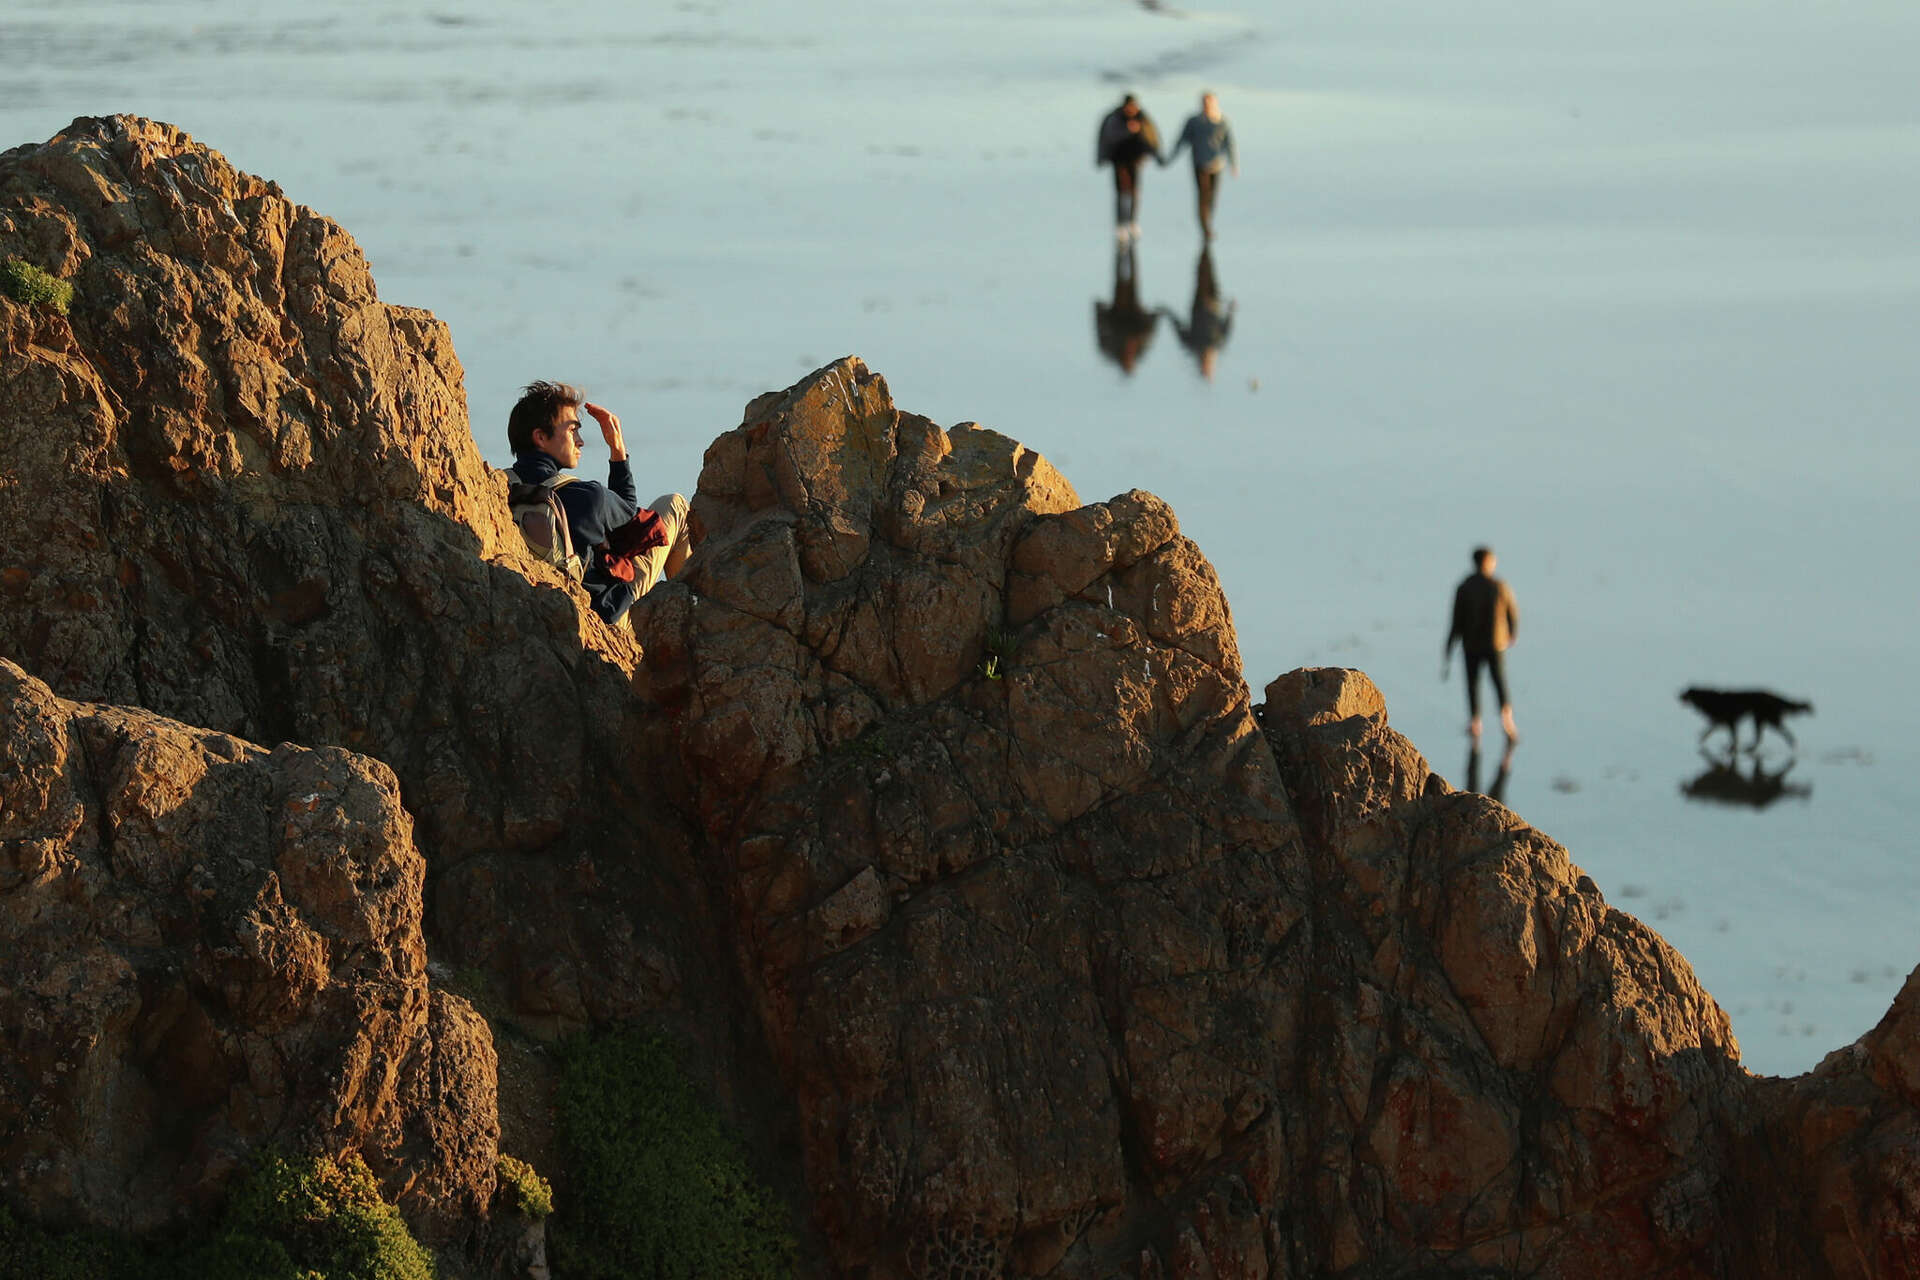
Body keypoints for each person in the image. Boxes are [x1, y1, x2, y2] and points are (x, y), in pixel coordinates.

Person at [507, 380, 690, 626]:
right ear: (540, 437)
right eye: (573, 431)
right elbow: (629, 512)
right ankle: (692, 618)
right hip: (605, 615)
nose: (580, 441)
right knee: (674, 505)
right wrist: (617, 449)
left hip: (536, 608)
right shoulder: (586, 496)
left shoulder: (500, 487)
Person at [1443, 546, 1520, 740]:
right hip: (1495, 644)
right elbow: (1513, 612)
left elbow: (1456, 620)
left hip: (1471, 644)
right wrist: (1512, 633)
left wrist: (1449, 646)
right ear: (1488, 562)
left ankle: (1475, 721)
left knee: (1473, 683)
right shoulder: (1499, 585)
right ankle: (1506, 720)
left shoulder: (1464, 586)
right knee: (1499, 681)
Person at [1166, 91, 1238, 239]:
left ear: (1215, 103)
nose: (1207, 106)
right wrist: (1170, 158)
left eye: (1210, 102)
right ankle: (1205, 228)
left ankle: (1208, 222)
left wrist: (1233, 164)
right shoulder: (1194, 121)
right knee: (1202, 196)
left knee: (1212, 197)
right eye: (1204, 103)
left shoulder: (1222, 121)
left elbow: (1229, 143)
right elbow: (1182, 140)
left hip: (1217, 165)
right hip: (1199, 164)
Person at [1096, 94, 1163, 243]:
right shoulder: (1115, 118)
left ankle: (1133, 222)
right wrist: (1128, 130)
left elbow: (1151, 137)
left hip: (1136, 160)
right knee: (1121, 192)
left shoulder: (1142, 117)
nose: (1131, 109)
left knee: (1134, 192)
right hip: (1119, 160)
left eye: (1134, 106)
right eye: (1129, 107)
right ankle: (1120, 225)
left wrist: (1157, 155)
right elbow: (1108, 137)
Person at [1162, 245, 1234, 379]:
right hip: (1213, 302)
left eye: (1205, 365)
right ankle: (1206, 247)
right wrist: (1231, 310)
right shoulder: (1218, 343)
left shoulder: (1192, 345)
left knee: (1203, 274)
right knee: (1209, 273)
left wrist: (1167, 313)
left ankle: (1205, 247)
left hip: (1200, 302)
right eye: (1207, 365)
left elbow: (1178, 327)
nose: (1206, 362)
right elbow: (1227, 325)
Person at [1094, 242, 1160, 374]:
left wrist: (1099, 310)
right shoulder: (1140, 349)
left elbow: (1101, 329)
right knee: (1128, 280)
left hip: (1123, 311)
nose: (1129, 354)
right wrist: (1154, 315)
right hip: (1126, 311)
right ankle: (1128, 247)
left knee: (1123, 280)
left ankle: (1125, 247)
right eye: (1129, 360)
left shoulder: (1110, 348)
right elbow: (1150, 332)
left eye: (1127, 360)